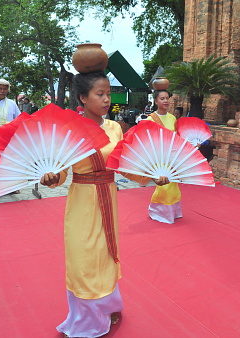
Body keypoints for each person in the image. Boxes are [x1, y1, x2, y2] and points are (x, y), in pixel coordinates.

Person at [39, 70, 168, 337]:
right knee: (83, 257)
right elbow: (61, 171)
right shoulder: (69, 128)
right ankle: (86, 320)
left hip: (108, 197)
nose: (107, 99)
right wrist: (52, 177)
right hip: (82, 201)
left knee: (105, 254)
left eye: (108, 94)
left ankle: (108, 306)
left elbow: (126, 164)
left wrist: (152, 175)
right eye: (100, 94)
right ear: (83, 98)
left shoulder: (114, 128)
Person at [146, 90, 183, 224]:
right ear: (156, 101)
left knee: (173, 184)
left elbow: (175, 137)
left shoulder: (172, 118)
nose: (166, 101)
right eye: (162, 98)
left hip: (171, 156)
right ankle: (158, 211)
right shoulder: (150, 119)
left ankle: (174, 211)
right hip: (159, 157)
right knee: (164, 185)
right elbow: (148, 141)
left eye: (167, 98)